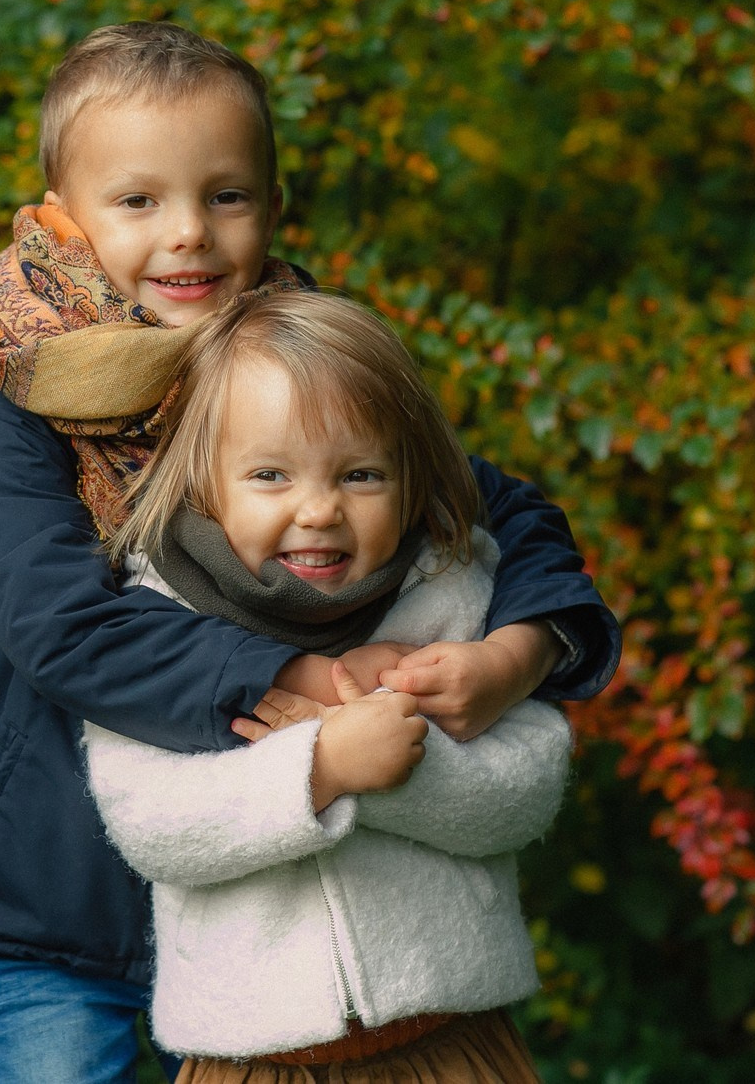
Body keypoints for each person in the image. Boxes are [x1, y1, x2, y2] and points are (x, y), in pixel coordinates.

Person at [0, 22, 617, 1084]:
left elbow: (497, 513)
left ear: (273, 208)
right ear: (61, 223)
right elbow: (58, 624)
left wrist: (518, 652)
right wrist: (300, 677)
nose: (188, 234)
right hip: (60, 890)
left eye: (226, 195)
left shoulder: (299, 367)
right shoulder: (14, 399)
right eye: (139, 201)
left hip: (265, 888)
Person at [87, 287, 567, 1082]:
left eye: (361, 474)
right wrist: (322, 768)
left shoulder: (452, 584)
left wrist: (397, 772)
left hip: (449, 1043)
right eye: (270, 474)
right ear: (205, 483)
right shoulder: (157, 618)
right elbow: (150, 821)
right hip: (250, 1060)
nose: (318, 509)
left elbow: (531, 783)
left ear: (412, 477)